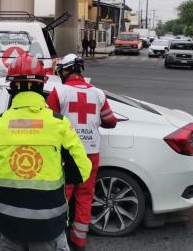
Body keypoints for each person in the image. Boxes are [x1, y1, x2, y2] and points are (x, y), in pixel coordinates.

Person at [0, 52, 91, 251]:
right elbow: (82, 171)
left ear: (12, 87)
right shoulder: (59, 124)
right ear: (41, 86)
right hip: (49, 228)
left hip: (9, 226)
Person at [47, 54, 117, 250]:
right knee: (85, 195)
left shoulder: (59, 91)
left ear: (66, 70)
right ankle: (79, 240)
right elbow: (110, 121)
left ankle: (58, 238)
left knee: (63, 196)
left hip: (66, 154)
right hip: (91, 153)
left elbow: (48, 120)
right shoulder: (98, 93)